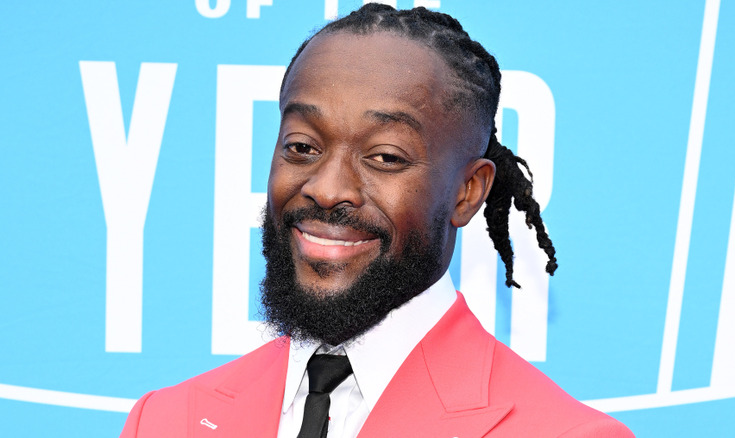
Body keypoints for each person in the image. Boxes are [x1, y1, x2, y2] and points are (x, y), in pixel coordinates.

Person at [120, 4, 633, 437]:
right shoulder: (164, 420)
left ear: (468, 190)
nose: (327, 188)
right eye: (302, 146)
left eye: (385, 157)